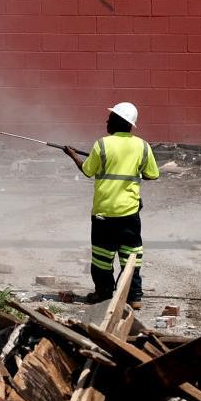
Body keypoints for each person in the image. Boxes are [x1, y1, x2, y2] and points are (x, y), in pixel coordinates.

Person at [62, 102, 159, 308]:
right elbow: (152, 174)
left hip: (103, 214)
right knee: (131, 256)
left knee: (101, 259)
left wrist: (73, 155)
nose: (106, 121)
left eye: (110, 118)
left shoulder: (102, 145)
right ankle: (134, 297)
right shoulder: (142, 146)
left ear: (117, 121)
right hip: (130, 213)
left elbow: (88, 170)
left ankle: (104, 294)